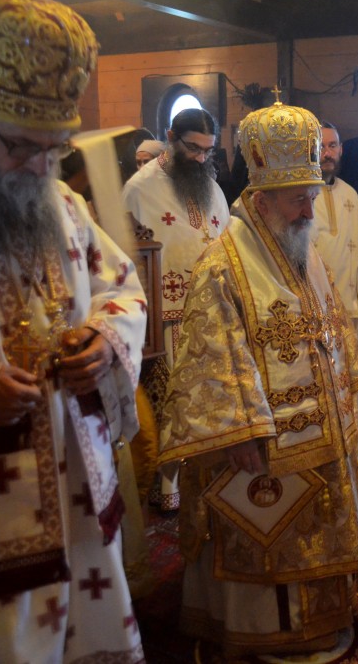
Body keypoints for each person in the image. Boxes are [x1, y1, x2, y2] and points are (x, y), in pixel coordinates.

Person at [0, 0, 147, 661]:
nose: (43, 166)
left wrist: (103, 342)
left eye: (56, 148)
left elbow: (121, 287)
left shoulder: (62, 201)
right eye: (21, 146)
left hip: (78, 488)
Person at [158, 100, 358, 658]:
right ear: (261, 199)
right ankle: (263, 630)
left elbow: (330, 328)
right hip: (260, 447)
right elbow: (213, 358)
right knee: (268, 534)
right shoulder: (223, 265)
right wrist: (241, 430)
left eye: (312, 196)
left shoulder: (302, 249)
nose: (309, 210)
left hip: (318, 435)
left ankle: (321, 618)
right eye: (298, 198)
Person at [122, 107, 230, 511]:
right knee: (172, 403)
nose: (200, 158)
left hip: (212, 314)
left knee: (209, 399)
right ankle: (167, 488)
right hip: (164, 321)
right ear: (170, 137)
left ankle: (206, 477)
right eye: (193, 148)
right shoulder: (139, 188)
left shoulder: (212, 189)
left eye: (208, 151)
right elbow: (124, 257)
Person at [314, 121, 358, 465]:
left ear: (341, 150)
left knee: (350, 380)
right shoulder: (300, 193)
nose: (328, 153)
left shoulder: (351, 196)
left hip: (350, 310)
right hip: (314, 311)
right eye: (322, 146)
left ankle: (356, 446)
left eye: (333, 146)